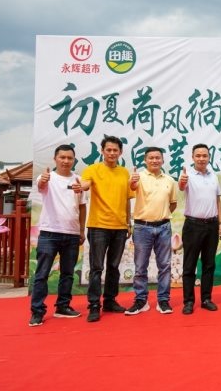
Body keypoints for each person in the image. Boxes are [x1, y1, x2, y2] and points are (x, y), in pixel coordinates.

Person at [78, 136, 133, 323]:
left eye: (115, 150)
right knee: (97, 267)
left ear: (120, 152)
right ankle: (94, 305)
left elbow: (127, 199)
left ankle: (110, 301)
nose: (111, 153)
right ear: (102, 151)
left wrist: (128, 223)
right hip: (98, 226)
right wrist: (81, 186)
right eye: (108, 150)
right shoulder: (92, 169)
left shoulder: (124, 173)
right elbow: (85, 184)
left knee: (114, 267)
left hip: (120, 227)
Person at [29, 145, 86, 327]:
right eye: (62, 157)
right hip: (49, 233)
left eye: (69, 158)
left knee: (67, 274)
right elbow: (41, 185)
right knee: (42, 274)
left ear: (74, 160)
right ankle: (37, 311)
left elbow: (82, 206)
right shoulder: (47, 177)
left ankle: (63, 306)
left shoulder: (78, 179)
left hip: (72, 234)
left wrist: (81, 230)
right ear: (55, 159)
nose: (66, 161)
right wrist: (43, 180)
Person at [124, 147, 177, 316]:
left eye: (157, 158)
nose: (154, 160)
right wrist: (132, 182)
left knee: (165, 266)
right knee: (140, 266)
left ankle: (163, 300)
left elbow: (173, 203)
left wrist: (161, 215)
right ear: (145, 160)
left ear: (162, 160)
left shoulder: (170, 180)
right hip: (142, 227)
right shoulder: (138, 177)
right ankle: (141, 301)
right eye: (151, 158)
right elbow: (131, 188)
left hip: (164, 227)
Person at [179, 143, 221, 315]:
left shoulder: (213, 176)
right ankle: (189, 301)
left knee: (209, 264)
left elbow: (217, 200)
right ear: (193, 157)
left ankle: (206, 299)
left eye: (204, 155)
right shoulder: (187, 175)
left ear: (209, 157)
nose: (201, 158)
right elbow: (181, 187)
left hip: (212, 225)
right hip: (193, 225)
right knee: (189, 265)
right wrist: (182, 182)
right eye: (198, 156)